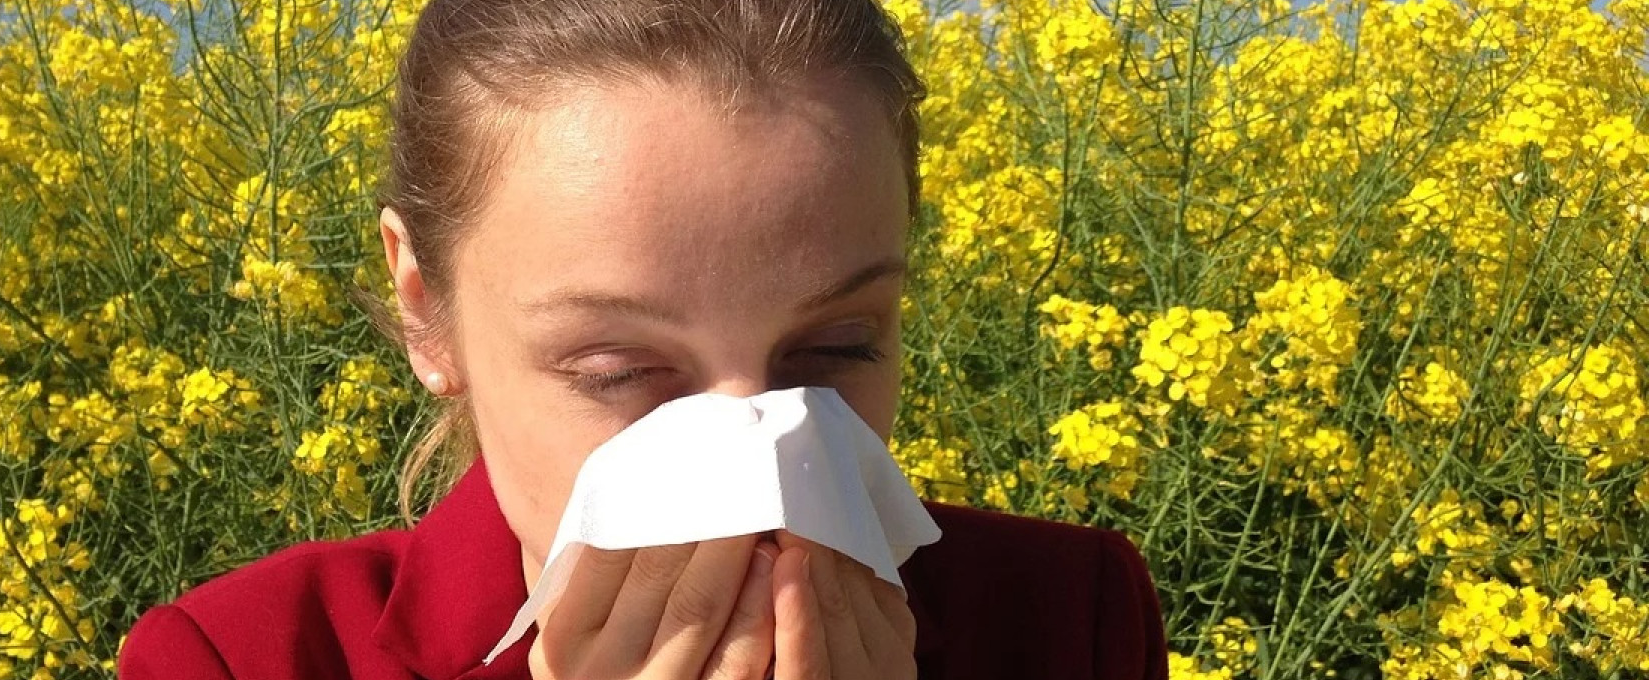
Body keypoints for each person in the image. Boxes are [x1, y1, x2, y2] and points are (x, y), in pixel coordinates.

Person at [117, 0, 1170, 677]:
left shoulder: (1068, 621)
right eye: (619, 370)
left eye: (838, 348)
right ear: (425, 311)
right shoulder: (248, 657)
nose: (754, 457)